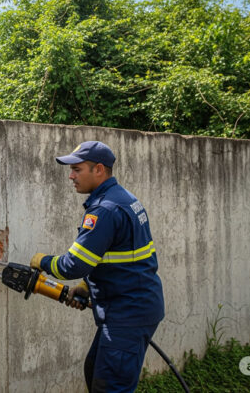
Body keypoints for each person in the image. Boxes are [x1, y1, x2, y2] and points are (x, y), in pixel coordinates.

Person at [29, 141, 165, 393]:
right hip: (133, 307)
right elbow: (119, 256)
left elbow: (74, 264)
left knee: (109, 386)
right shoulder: (124, 199)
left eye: (77, 169)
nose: (71, 176)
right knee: (95, 371)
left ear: (99, 169)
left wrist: (43, 262)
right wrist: (87, 286)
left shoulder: (104, 209)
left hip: (127, 313)